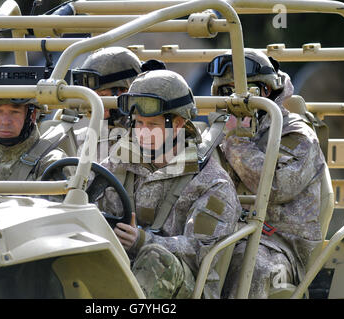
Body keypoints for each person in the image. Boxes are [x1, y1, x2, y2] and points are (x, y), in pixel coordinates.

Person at [96, 69, 241, 298]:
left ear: (179, 124)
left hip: (188, 285)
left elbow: (201, 249)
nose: (142, 133)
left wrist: (142, 241)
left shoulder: (212, 182)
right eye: (138, 123)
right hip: (120, 270)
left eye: (152, 125)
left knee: (156, 259)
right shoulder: (118, 163)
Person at [207, 49, 327, 298]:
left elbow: (275, 186)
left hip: (283, 246)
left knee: (249, 267)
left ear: (267, 91)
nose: (236, 99)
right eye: (227, 91)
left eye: (246, 91)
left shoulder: (296, 134)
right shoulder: (220, 130)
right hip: (230, 233)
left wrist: (236, 143)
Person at [71, 46, 166, 161]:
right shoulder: (79, 139)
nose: (96, 104)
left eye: (103, 96)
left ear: (125, 91)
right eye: (91, 96)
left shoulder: (153, 138)